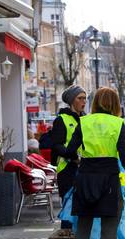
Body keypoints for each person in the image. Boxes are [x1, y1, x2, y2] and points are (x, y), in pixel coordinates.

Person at [65, 87, 125, 239]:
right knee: (109, 228)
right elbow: (124, 155)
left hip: (85, 178)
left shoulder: (84, 122)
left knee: (84, 227)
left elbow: (70, 150)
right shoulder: (117, 123)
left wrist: (84, 160)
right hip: (109, 180)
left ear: (95, 103)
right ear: (115, 104)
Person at [51, 85, 87, 231]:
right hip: (67, 169)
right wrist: (73, 157)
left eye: (85, 98)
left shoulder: (86, 119)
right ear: (72, 100)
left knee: (83, 207)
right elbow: (57, 145)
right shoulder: (61, 119)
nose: (83, 101)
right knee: (68, 207)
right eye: (80, 98)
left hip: (84, 168)